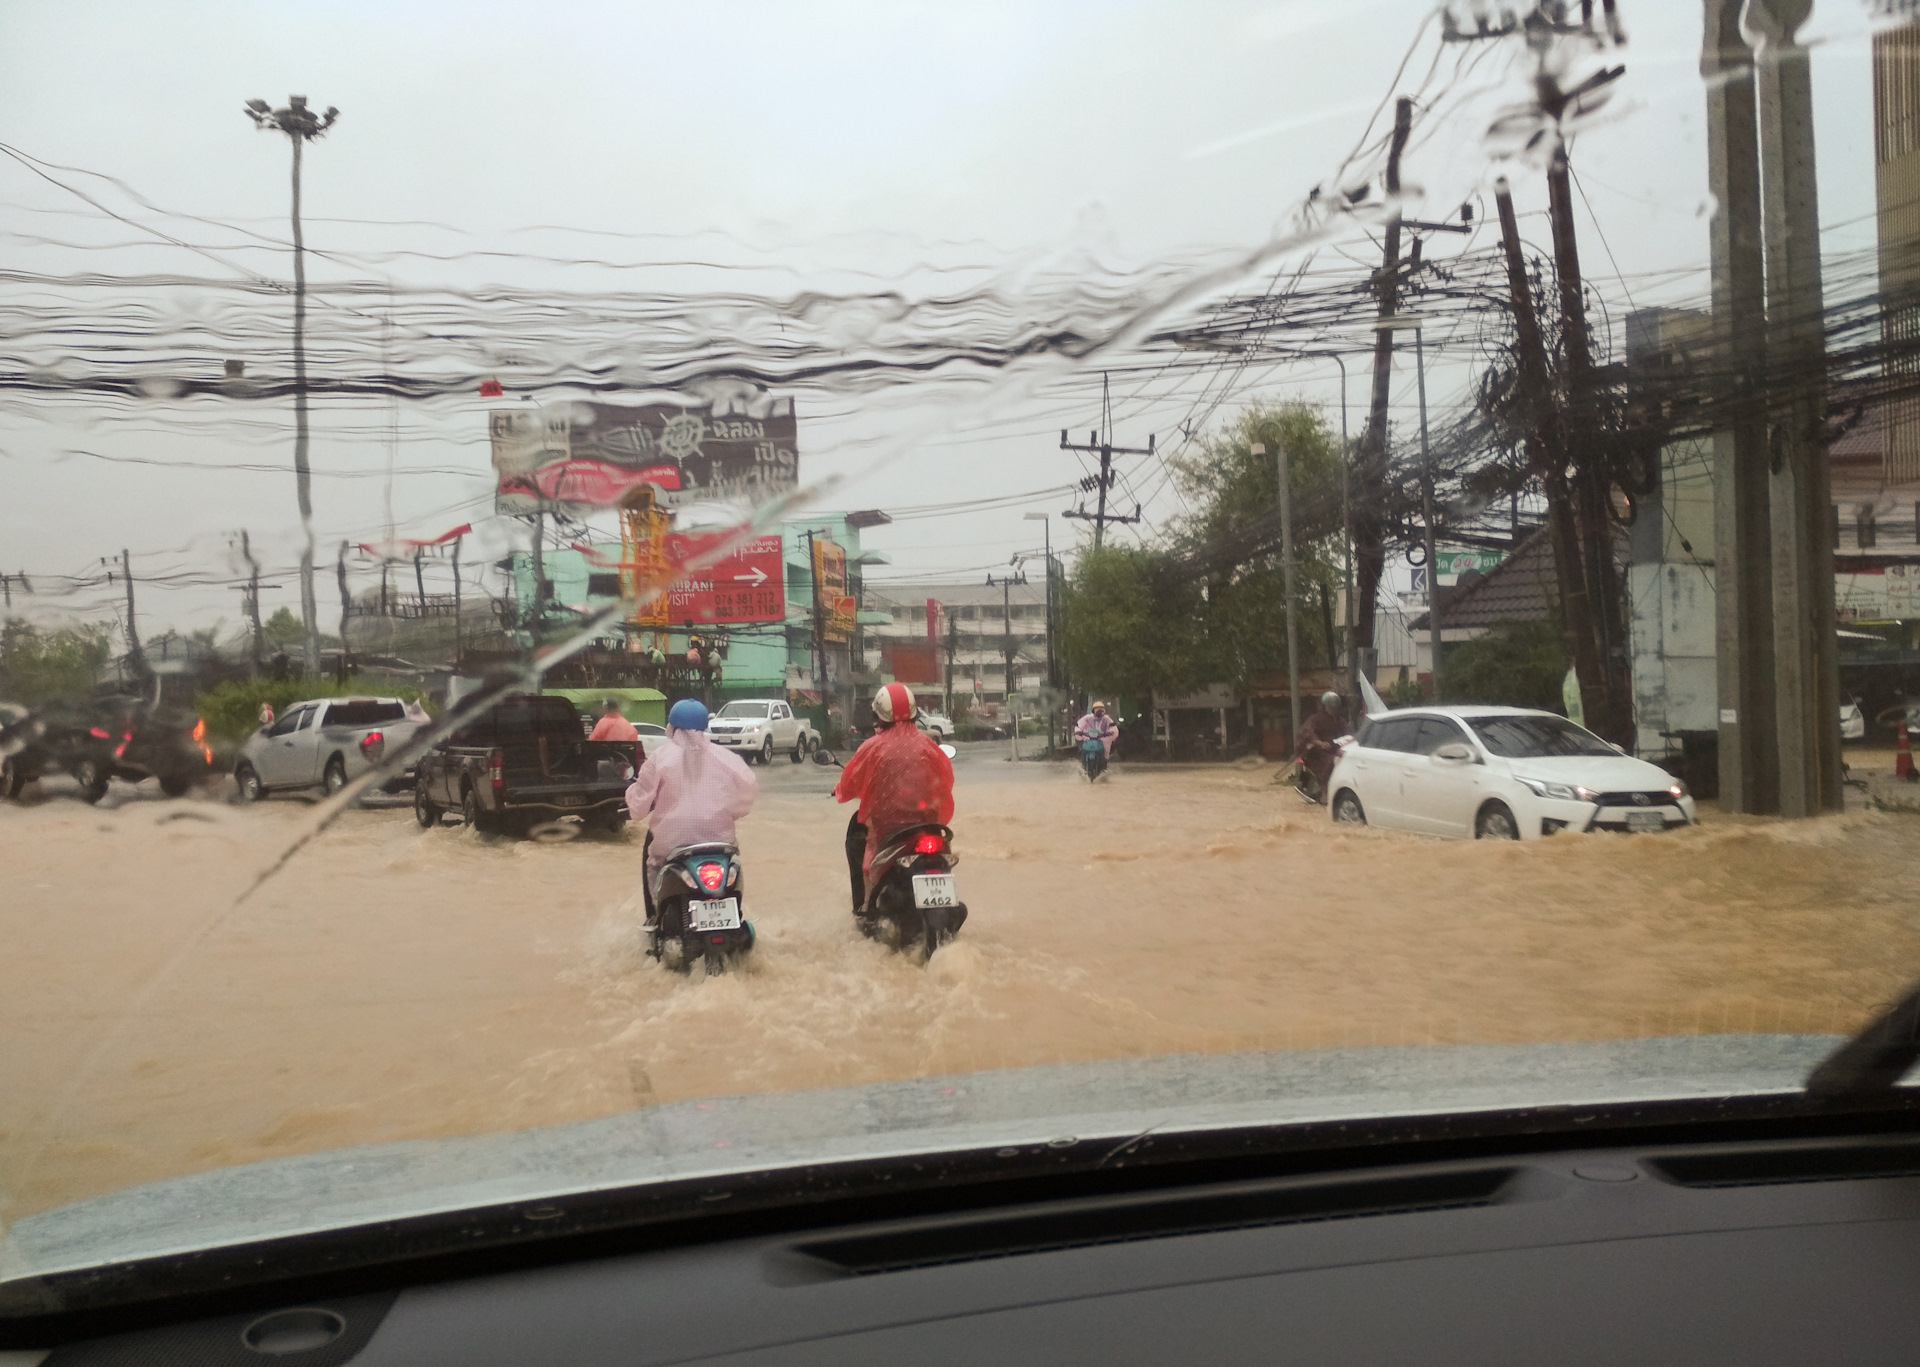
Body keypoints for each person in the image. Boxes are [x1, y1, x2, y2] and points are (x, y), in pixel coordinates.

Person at [625, 698, 758, 924]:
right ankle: (735, 915)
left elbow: (638, 809)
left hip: (673, 845)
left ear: (672, 727)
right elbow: (748, 790)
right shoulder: (725, 757)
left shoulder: (660, 757)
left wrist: (632, 795)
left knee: (652, 859)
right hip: (719, 842)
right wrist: (727, 811)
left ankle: (655, 918)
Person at [834, 682, 955, 914]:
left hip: (888, 835)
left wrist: (839, 790)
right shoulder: (928, 746)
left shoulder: (871, 748)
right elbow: (946, 782)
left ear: (878, 714)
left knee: (865, 850)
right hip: (929, 829)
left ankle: (867, 908)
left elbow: (848, 786)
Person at [1293, 690, 1346, 802]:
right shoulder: (1315, 719)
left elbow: (1349, 733)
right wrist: (1319, 743)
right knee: (1330, 762)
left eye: (1335, 708)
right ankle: (1324, 793)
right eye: (1330, 707)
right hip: (1316, 754)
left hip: (1334, 750)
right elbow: (1307, 732)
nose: (1333, 710)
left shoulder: (1340, 721)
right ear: (1324, 706)